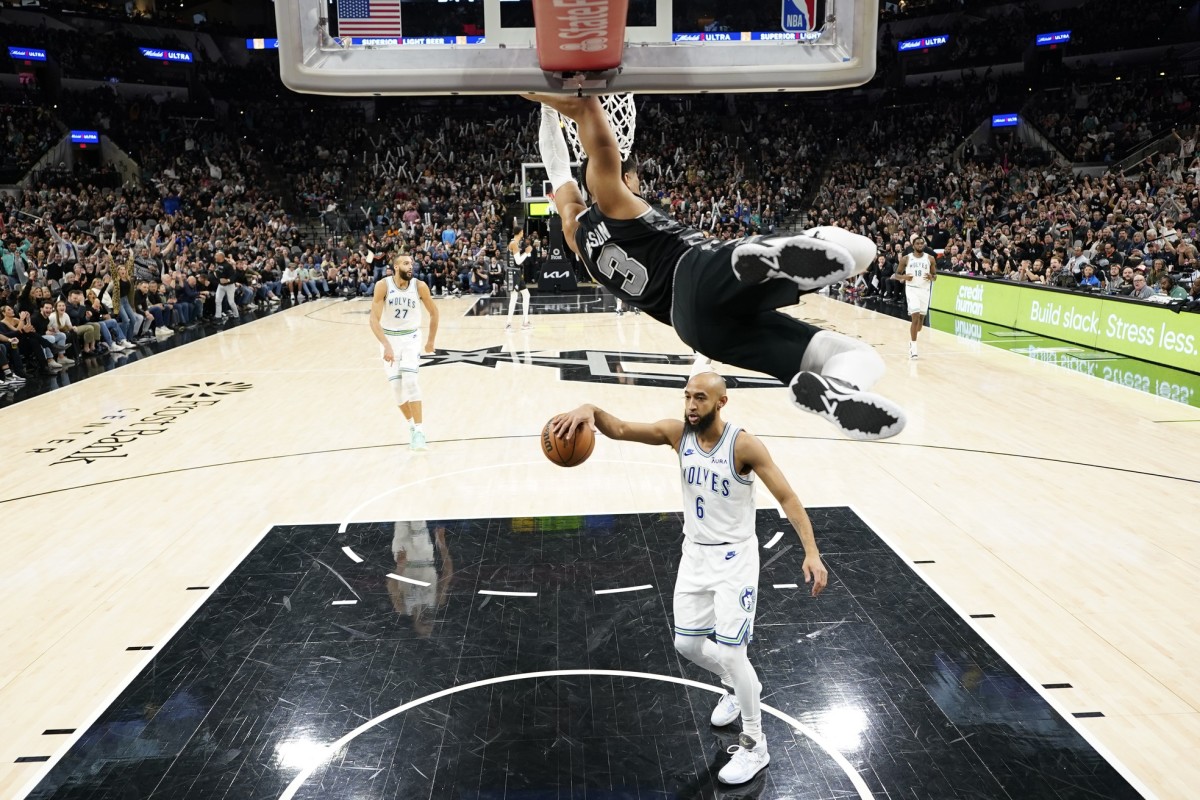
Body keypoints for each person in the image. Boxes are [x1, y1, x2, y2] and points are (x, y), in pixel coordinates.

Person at [529, 94, 904, 440]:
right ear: (626, 179)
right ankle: (769, 259)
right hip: (697, 272)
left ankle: (839, 390)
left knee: (857, 356)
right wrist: (564, 88)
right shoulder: (614, 196)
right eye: (637, 178)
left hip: (696, 330)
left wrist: (546, 112)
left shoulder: (575, 232)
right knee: (864, 250)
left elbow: (558, 172)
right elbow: (584, 111)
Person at [550, 370, 829, 786]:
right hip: (694, 555)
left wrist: (811, 551)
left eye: (700, 398)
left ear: (721, 402)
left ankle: (756, 744)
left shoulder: (743, 445)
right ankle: (734, 687)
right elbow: (621, 428)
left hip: (735, 559)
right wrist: (588, 409)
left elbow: (787, 497)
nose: (691, 405)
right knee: (687, 644)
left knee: (735, 653)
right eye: (687, 397)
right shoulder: (676, 434)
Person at [370, 252, 439, 451]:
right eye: (406, 263)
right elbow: (373, 319)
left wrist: (430, 341)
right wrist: (386, 345)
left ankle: (420, 431)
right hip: (389, 338)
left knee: (410, 381)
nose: (411, 266)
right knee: (397, 390)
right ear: (396, 266)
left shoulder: (419, 286)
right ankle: (411, 426)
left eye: (412, 264)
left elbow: (434, 312)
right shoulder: (383, 286)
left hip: (411, 337)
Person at [891, 236, 936, 359]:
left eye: (922, 243)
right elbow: (896, 275)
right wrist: (905, 277)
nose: (920, 245)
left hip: (925, 290)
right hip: (912, 290)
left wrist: (931, 277)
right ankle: (913, 347)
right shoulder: (906, 258)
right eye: (918, 243)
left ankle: (914, 337)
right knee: (914, 317)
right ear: (913, 245)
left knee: (920, 324)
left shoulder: (930, 258)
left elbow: (935, 276)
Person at [506, 231, 533, 331]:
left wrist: (525, 251)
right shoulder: (513, 243)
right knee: (514, 297)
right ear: (520, 233)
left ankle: (525, 322)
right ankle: (508, 324)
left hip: (517, 272)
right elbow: (518, 261)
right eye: (522, 231)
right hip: (512, 273)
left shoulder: (516, 243)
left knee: (526, 295)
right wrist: (526, 253)